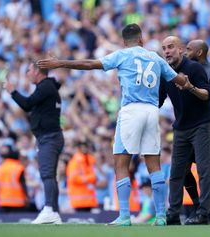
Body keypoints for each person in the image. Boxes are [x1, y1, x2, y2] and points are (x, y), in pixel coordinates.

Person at [37, 23, 192, 226]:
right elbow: (178, 80)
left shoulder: (122, 55)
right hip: (152, 111)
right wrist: (189, 84)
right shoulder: (155, 57)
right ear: (141, 40)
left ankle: (125, 216)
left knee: (121, 164)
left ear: (123, 42)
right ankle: (162, 216)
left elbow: (90, 64)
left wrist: (60, 63)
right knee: (154, 164)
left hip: (131, 110)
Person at [160, 36, 210, 225]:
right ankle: (173, 213)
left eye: (171, 47)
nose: (167, 51)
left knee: (204, 170)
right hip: (181, 127)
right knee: (176, 172)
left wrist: (190, 86)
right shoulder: (165, 73)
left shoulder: (194, 68)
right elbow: (158, 100)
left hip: (201, 125)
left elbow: (207, 95)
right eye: (164, 48)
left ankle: (204, 214)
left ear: (181, 49)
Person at [5, 62, 64, 224]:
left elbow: (27, 104)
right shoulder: (48, 87)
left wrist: (12, 91)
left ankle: (49, 209)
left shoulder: (45, 86)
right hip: (50, 137)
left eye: (29, 70)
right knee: (50, 176)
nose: (27, 73)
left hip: (49, 137)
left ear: (38, 71)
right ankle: (54, 212)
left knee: (47, 175)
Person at [185, 39, 210, 224]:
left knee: (208, 170)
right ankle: (198, 205)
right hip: (188, 125)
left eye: (189, 49)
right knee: (183, 167)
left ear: (199, 52)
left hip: (208, 126)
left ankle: (206, 212)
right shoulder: (188, 69)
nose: (185, 51)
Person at [0, 143, 28, 213]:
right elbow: (23, 184)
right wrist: (27, 196)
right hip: (17, 201)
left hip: (3, 201)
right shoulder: (19, 168)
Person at [67, 141, 98, 212]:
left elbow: (96, 176)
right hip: (78, 200)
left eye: (86, 147)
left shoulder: (91, 160)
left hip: (90, 200)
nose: (85, 149)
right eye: (82, 148)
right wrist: (91, 178)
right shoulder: (74, 162)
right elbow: (73, 179)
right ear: (78, 149)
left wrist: (91, 178)